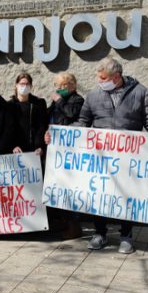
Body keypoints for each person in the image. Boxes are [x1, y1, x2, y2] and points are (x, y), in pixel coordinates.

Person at [57, 57, 148, 254]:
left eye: (103, 78)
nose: (100, 82)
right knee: (99, 195)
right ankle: (100, 233)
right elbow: (83, 122)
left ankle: (126, 236)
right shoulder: (94, 95)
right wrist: (60, 133)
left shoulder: (140, 92)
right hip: (101, 157)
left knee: (126, 196)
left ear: (116, 76)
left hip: (128, 158)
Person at [47, 72, 85, 240]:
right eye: (58, 85)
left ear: (73, 86)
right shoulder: (55, 102)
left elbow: (71, 114)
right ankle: (61, 222)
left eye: (64, 85)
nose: (60, 88)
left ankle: (74, 225)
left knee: (71, 188)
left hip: (71, 151)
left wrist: (59, 100)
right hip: (56, 151)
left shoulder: (78, 100)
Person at [10, 72, 48, 156]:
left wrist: (40, 146)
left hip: (34, 150)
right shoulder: (10, 105)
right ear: (16, 85)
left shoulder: (38, 103)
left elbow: (41, 126)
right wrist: (13, 146)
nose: (25, 86)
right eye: (22, 84)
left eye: (27, 84)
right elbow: (8, 129)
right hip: (16, 150)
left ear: (31, 86)